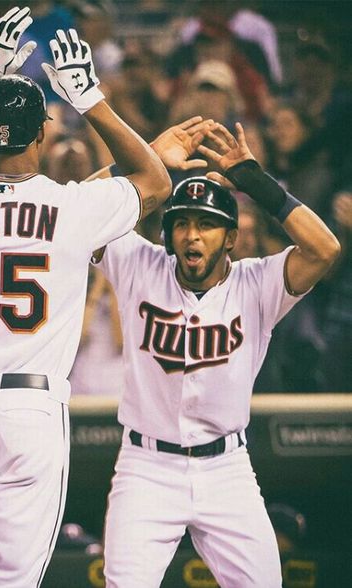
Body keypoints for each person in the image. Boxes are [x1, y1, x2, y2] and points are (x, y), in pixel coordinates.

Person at [0, 6, 176, 587]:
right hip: (26, 411)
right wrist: (90, 98)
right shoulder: (71, 207)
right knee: (12, 579)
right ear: (43, 133)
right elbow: (155, 180)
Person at [91, 122, 340, 586]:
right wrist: (142, 160)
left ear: (231, 237)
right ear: (168, 233)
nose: (192, 235)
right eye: (182, 222)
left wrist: (255, 181)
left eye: (207, 224)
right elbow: (75, 215)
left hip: (226, 469)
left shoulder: (257, 283)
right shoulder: (141, 265)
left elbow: (325, 248)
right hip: (146, 468)